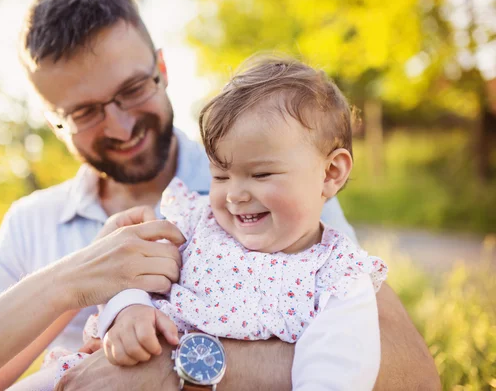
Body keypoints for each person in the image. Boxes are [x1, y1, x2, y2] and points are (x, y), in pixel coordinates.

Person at [0, 0, 440, 390]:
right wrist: (105, 302)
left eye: (134, 88)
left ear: (161, 67)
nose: (120, 127)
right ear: (53, 120)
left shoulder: (289, 186)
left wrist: (174, 371)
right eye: (84, 113)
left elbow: (404, 369)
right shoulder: (27, 226)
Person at [49, 56, 388, 391]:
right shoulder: (195, 224)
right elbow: (125, 271)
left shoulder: (338, 277)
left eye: (261, 174)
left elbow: (335, 372)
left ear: (331, 173)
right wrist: (129, 308)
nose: (235, 195)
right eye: (220, 175)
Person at [0, 206, 184, 391]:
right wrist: (75, 279)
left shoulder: (216, 181)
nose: (119, 127)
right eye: (82, 114)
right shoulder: (25, 221)